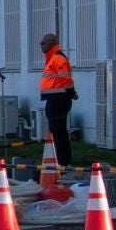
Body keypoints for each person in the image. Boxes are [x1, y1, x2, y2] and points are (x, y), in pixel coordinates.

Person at [38, 32, 77, 168]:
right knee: (56, 131)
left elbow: (66, 78)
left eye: (43, 43)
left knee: (59, 131)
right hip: (54, 98)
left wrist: (70, 92)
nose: (41, 45)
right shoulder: (52, 58)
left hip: (59, 99)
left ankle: (64, 161)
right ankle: (61, 160)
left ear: (51, 43)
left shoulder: (58, 58)